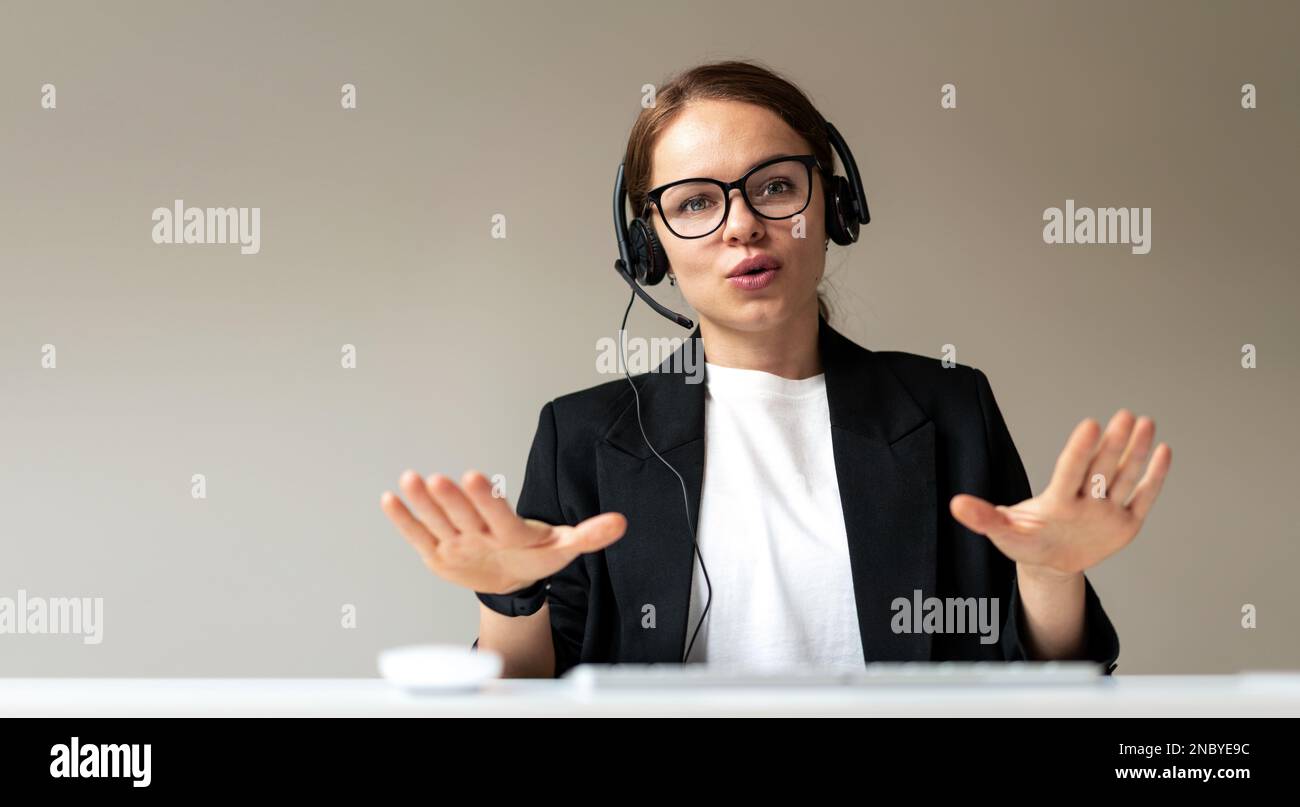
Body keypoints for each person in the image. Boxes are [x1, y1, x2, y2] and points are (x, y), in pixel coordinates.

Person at [379, 60, 1172, 679]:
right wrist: (510, 595)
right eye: (695, 202)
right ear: (649, 247)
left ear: (834, 203)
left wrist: (1051, 576)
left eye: (776, 187)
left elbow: (1048, 682)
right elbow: (525, 700)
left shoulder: (949, 406)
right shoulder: (583, 435)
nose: (744, 227)